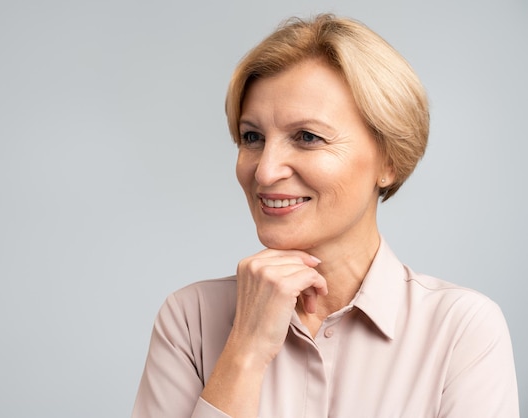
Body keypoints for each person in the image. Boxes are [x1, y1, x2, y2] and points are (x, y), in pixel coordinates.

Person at [131, 13, 519, 418]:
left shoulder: (460, 328)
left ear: (389, 159)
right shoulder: (190, 319)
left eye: (308, 137)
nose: (265, 171)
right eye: (252, 138)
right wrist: (245, 351)